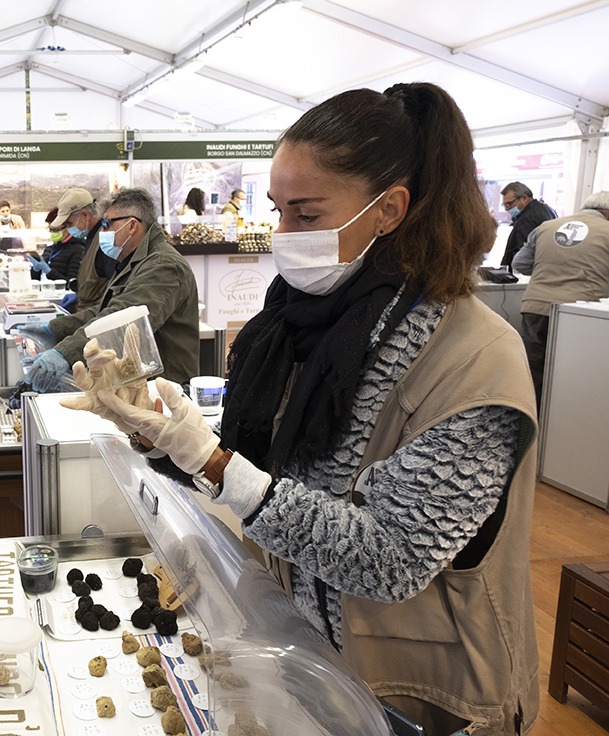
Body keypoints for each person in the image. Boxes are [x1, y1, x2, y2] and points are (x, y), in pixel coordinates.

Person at [67, 84, 540, 736]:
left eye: (307, 214)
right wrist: (162, 436)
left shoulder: (476, 357)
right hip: (302, 657)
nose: (282, 235)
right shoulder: (293, 325)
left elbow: (389, 558)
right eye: (278, 211)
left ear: (389, 210)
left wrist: (208, 457)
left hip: (416, 697)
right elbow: (258, 478)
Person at [24, 187, 200, 393]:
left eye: (106, 224)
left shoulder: (163, 265)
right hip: (141, 382)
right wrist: (56, 329)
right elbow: (104, 310)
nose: (101, 231)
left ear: (132, 225)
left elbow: (123, 320)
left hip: (165, 389)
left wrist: (65, 353)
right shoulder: (134, 261)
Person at [512, 191, 609, 408]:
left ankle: (528, 428)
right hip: (583, 313)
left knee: (532, 372)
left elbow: (519, 264)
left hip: (536, 306)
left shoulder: (547, 226)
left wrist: (548, 270)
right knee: (574, 378)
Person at [57, 187, 111, 313]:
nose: (68, 229)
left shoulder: (105, 240)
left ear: (85, 215)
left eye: (70, 223)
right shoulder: (91, 238)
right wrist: (79, 294)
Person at [500, 181, 557, 268]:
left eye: (509, 204)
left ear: (524, 198)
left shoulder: (527, 218)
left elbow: (525, 254)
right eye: (504, 205)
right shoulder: (547, 209)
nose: (506, 209)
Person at [28, 206, 86, 289]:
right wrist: (35, 270)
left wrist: (49, 272)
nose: (52, 233)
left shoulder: (78, 250)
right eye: (50, 230)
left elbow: (71, 284)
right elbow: (35, 281)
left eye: (55, 230)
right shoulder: (49, 249)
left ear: (68, 227)